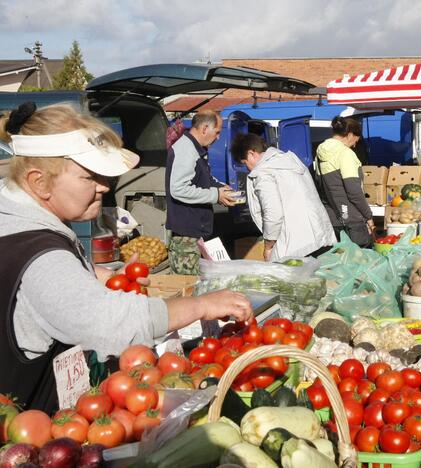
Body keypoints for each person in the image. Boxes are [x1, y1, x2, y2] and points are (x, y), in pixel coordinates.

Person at [0, 103, 253, 412]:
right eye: (89, 177)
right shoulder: (42, 255)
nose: (104, 187)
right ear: (40, 182)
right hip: (28, 426)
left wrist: (91, 274)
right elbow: (109, 323)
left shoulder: (14, 213)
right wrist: (202, 305)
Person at [231, 133, 336, 261]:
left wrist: (269, 246)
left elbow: (273, 213)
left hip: (297, 246)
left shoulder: (264, 173)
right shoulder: (290, 161)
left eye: (245, 162)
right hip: (319, 236)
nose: (247, 168)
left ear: (251, 153)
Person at [165, 110, 237, 275]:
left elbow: (203, 177)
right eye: (217, 132)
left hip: (197, 232)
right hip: (186, 236)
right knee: (190, 288)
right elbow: (178, 189)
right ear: (204, 128)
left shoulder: (195, 148)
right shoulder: (185, 149)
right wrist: (215, 195)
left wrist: (221, 188)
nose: (218, 137)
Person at [315, 116, 374, 247]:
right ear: (350, 134)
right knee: (361, 259)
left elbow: (319, 186)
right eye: (355, 141)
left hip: (331, 220)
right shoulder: (346, 154)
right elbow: (354, 191)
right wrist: (368, 216)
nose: (354, 145)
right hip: (352, 221)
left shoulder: (319, 152)